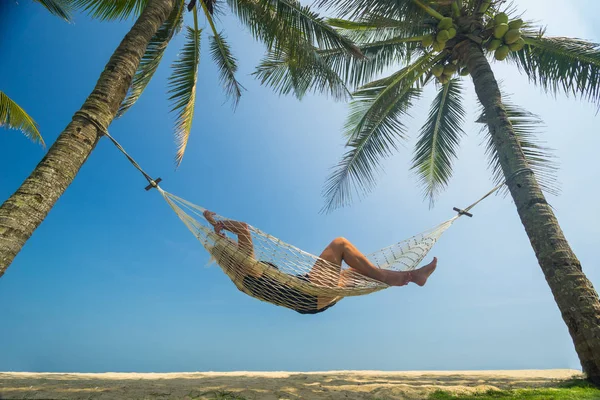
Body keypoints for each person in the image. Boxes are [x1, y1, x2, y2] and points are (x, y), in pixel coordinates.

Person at [203, 210, 438, 314]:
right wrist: (219, 224)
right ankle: (394, 277)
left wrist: (219, 235)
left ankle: (411, 276)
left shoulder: (240, 280)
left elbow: (239, 244)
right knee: (340, 244)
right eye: (231, 246)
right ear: (230, 252)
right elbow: (243, 229)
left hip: (308, 301)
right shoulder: (246, 266)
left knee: (354, 273)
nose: (235, 245)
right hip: (308, 292)